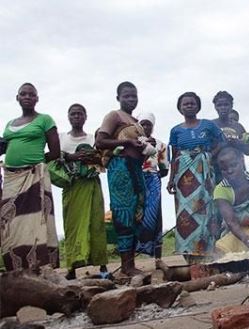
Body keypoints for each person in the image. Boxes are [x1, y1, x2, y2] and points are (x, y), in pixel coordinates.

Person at [1, 83, 60, 271]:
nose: (27, 97)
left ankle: (41, 267)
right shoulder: (9, 125)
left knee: (38, 220)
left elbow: (55, 151)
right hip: (11, 178)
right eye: (23, 94)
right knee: (11, 222)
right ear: (17, 98)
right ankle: (16, 269)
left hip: (35, 176)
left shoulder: (45, 120)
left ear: (37, 99)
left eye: (31, 94)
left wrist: (36, 162)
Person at [96, 81, 147, 276]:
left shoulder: (135, 121)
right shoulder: (114, 116)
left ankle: (130, 263)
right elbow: (100, 141)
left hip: (135, 168)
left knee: (137, 212)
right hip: (120, 168)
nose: (131, 99)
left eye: (134, 96)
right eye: (127, 96)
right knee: (124, 212)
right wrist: (125, 141)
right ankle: (126, 265)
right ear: (118, 98)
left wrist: (145, 145)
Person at [168, 92, 224, 261]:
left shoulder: (208, 125)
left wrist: (209, 155)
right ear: (180, 108)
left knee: (206, 207)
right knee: (185, 212)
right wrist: (171, 179)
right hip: (183, 173)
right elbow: (174, 155)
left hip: (204, 170)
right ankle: (189, 252)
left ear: (198, 106)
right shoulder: (175, 130)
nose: (189, 106)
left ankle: (208, 250)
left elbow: (221, 142)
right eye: (185, 104)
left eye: (192, 103)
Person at [59, 104, 108, 279]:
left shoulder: (91, 137)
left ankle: (103, 267)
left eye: (80, 114)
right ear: (68, 116)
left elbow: (103, 160)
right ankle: (72, 268)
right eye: (73, 114)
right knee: (72, 225)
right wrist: (71, 157)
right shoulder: (61, 137)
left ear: (86, 116)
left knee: (96, 224)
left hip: (91, 184)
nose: (77, 116)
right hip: (72, 186)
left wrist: (92, 157)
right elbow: (53, 156)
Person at [137, 112, 168, 260]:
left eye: (148, 124)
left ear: (153, 126)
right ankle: (132, 258)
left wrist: (152, 178)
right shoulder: (133, 143)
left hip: (153, 181)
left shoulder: (161, 145)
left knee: (155, 217)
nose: (145, 127)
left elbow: (164, 169)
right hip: (136, 181)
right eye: (142, 124)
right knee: (135, 216)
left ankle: (158, 259)